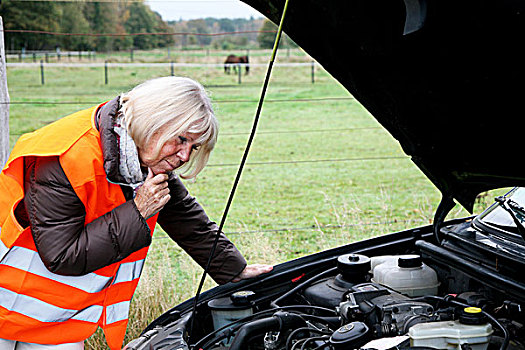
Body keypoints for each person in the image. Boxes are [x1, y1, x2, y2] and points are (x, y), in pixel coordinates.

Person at [0, 76, 273, 350]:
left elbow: (186, 221)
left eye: (194, 147)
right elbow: (62, 255)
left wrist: (235, 271)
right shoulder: (65, 157)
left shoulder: (141, 154)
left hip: (56, 318)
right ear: (154, 121)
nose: (185, 156)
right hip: (7, 301)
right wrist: (138, 210)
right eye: (181, 140)